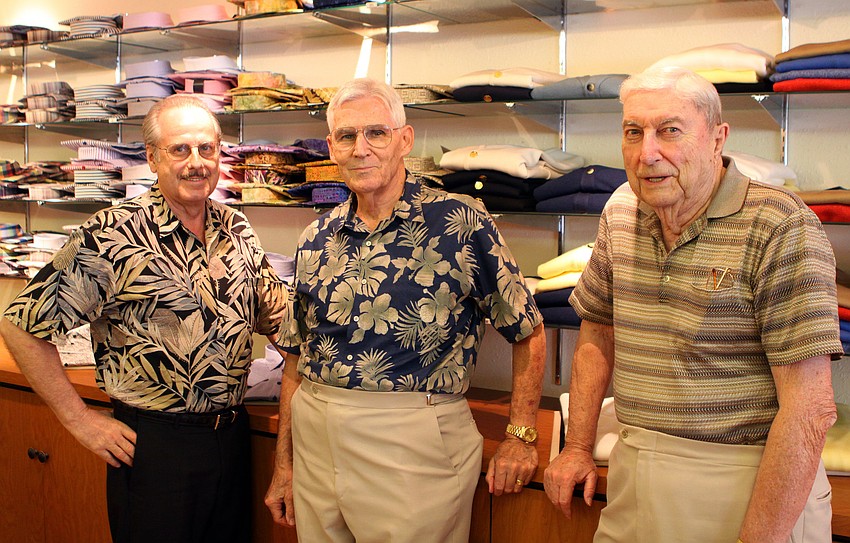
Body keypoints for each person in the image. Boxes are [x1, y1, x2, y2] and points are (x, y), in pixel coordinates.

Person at [543, 66, 843, 543]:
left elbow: (810, 409)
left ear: (717, 138)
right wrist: (578, 445)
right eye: (633, 132)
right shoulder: (620, 209)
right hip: (633, 473)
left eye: (670, 131)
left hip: (748, 484)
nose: (647, 153)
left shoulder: (780, 224)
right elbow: (598, 331)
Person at [264, 78, 546, 542]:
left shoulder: (460, 222)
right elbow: (296, 355)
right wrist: (284, 465)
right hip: (316, 438)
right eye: (347, 136)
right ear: (332, 148)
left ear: (405, 140)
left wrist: (520, 434)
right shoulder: (317, 236)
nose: (361, 149)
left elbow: (528, 330)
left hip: (413, 443)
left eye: (376, 133)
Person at [0, 94, 288, 543]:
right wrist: (79, 420)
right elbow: (20, 326)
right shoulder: (112, 234)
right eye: (180, 149)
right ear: (152, 158)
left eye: (207, 149)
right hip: (153, 449)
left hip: (232, 440)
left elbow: (280, 318)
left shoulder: (237, 229)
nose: (196, 163)